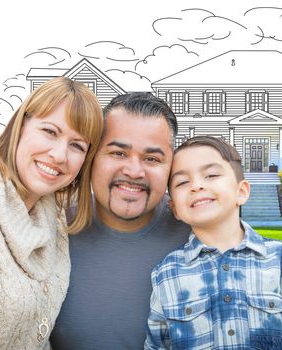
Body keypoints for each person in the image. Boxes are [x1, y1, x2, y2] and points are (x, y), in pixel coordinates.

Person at [0, 76, 104, 349]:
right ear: (21, 124)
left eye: (77, 145)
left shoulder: (54, 217)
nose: (60, 155)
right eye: (50, 132)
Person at [145, 136, 282, 349]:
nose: (196, 185)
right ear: (175, 208)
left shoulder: (281, 259)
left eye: (211, 175)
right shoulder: (167, 272)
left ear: (241, 192)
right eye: (182, 182)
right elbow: (157, 344)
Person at [50, 92, 191, 349]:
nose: (134, 171)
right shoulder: (52, 229)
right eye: (117, 153)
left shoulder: (198, 238)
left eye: (152, 159)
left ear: (171, 167)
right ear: (91, 158)